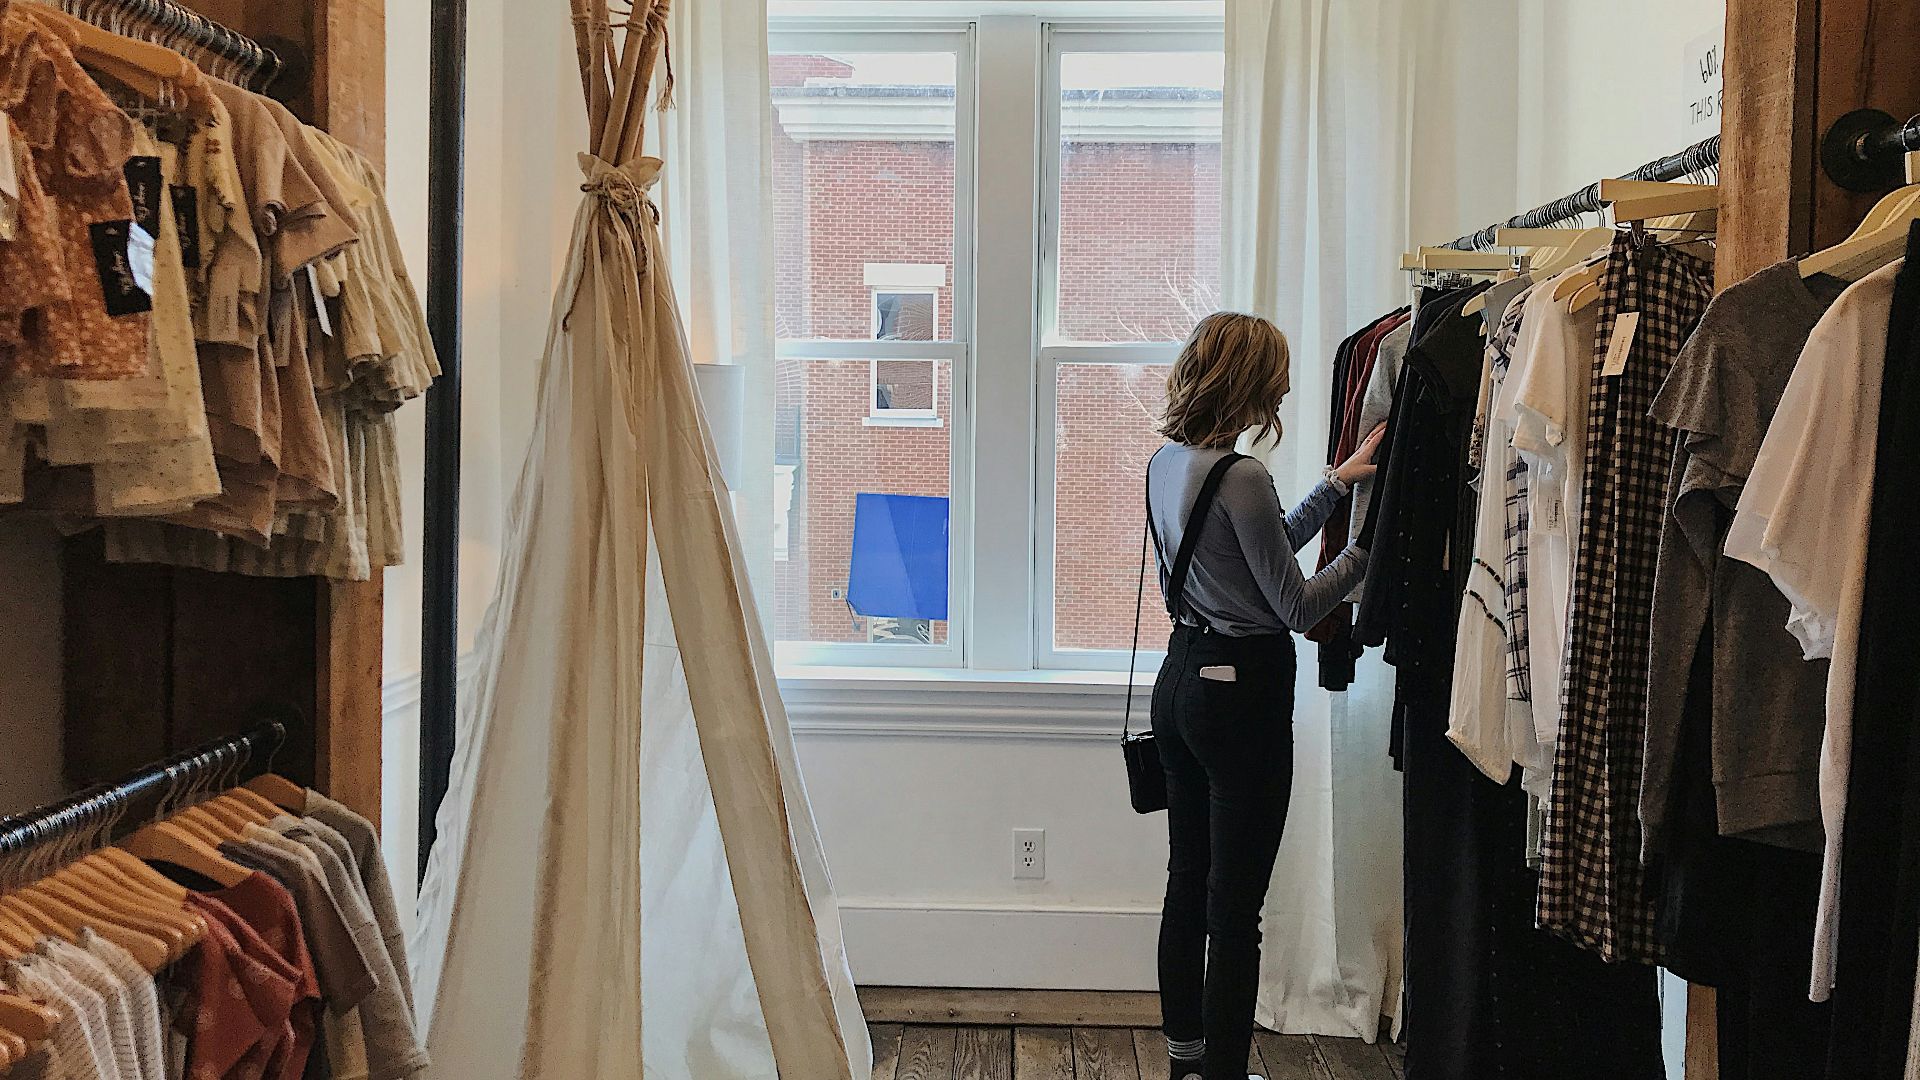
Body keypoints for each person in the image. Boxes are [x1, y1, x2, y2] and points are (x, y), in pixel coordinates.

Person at [1146, 312, 1380, 1080]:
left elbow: (1257, 544)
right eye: (1275, 374)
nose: (1284, 386)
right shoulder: (1241, 475)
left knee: (1188, 882)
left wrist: (1336, 484)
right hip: (1239, 700)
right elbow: (1297, 607)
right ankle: (1225, 1075)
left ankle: (1186, 1060)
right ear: (1248, 382)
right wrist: (1370, 550)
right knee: (1234, 908)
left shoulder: (1168, 463)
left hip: (1180, 680)